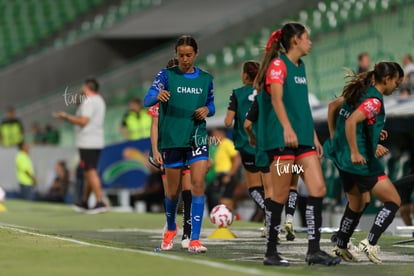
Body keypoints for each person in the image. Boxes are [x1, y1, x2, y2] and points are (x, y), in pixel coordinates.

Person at [252, 22, 341, 266]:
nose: (310, 42)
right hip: (282, 141)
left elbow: (301, 107)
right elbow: (277, 100)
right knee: (279, 195)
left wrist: (312, 136)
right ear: (295, 41)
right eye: (307, 38)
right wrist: (288, 128)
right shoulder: (278, 66)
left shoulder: (300, 67)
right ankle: (271, 252)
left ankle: (314, 250)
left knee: (318, 189)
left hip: (303, 141)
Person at [324, 61, 404, 264]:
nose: (397, 87)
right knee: (393, 200)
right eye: (396, 82)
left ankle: (341, 245)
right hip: (359, 161)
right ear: (386, 79)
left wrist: (336, 139)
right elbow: (352, 122)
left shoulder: (359, 91)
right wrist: (354, 151)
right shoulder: (374, 100)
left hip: (340, 158)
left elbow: (333, 106)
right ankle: (370, 242)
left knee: (359, 203)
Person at [144, 35, 215, 253]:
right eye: (181, 55)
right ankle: (171, 228)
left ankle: (194, 238)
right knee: (172, 193)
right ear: (176, 54)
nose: (185, 59)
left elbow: (211, 104)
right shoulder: (166, 75)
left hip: (197, 137)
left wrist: (207, 110)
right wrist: (158, 94)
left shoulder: (206, 78)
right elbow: (147, 99)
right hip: (173, 139)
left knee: (198, 185)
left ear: (196, 54)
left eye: (189, 55)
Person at [146, 57, 193, 249]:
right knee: (171, 192)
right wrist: (156, 149)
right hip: (167, 148)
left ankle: (188, 233)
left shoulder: (190, 93)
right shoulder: (160, 96)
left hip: (188, 146)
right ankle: (170, 225)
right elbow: (154, 125)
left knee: (189, 190)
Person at [54, 78, 107, 214]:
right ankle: (84, 201)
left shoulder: (89, 101)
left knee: (90, 171)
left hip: (87, 141)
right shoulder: (99, 100)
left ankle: (100, 201)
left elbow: (83, 121)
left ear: (86, 87)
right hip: (97, 140)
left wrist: (66, 117)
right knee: (88, 172)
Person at [210, 127, 241, 211]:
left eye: (215, 135)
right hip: (220, 175)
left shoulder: (227, 143)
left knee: (225, 201)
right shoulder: (219, 146)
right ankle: (227, 217)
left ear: (221, 134)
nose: (213, 137)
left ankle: (229, 218)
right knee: (221, 200)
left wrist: (229, 175)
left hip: (226, 175)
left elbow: (237, 159)